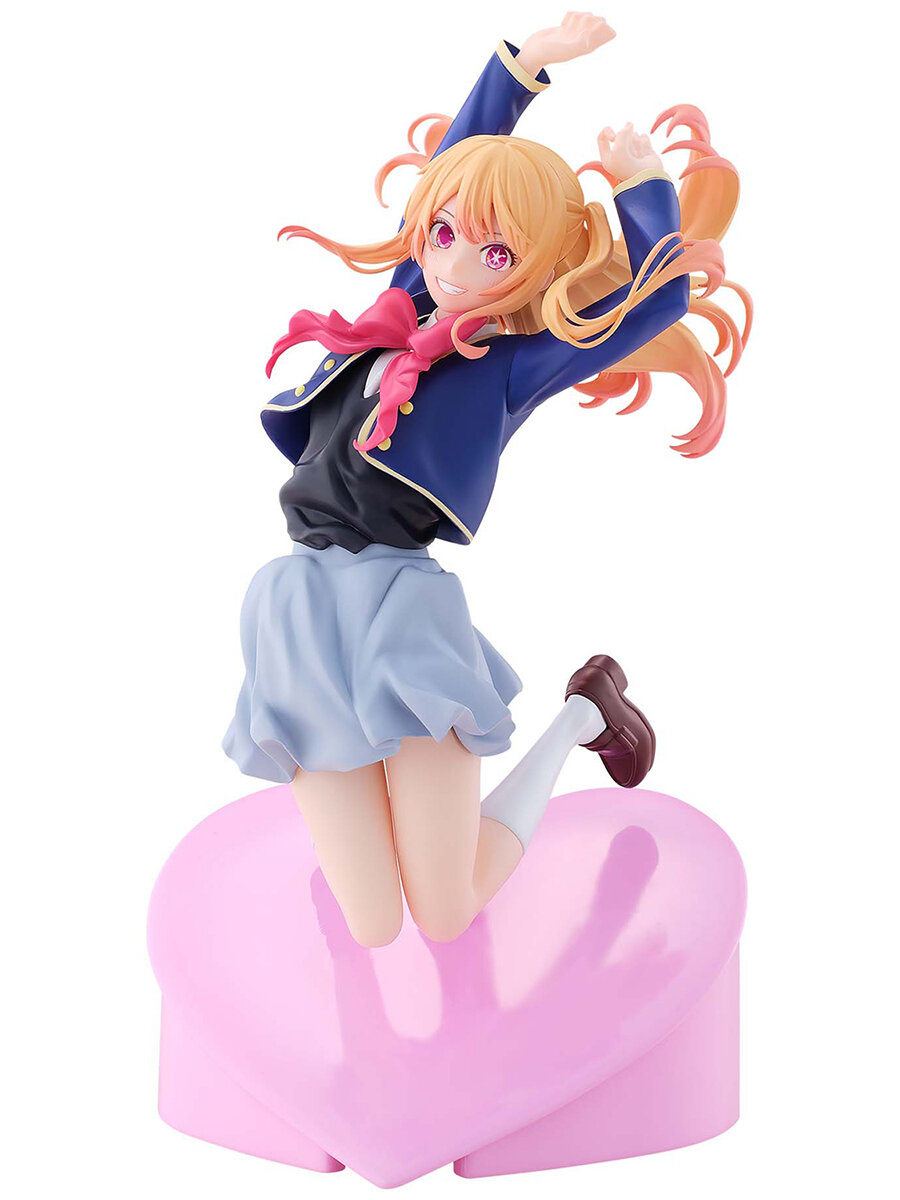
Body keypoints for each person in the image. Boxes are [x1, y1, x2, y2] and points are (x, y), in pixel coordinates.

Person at [223, 13, 750, 948]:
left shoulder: (509, 366)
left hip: (400, 616)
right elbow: (458, 169)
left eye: (498, 254)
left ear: (532, 272)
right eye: (445, 234)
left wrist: (642, 188)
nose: (458, 263)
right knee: (373, 927)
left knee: (445, 911)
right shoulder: (402, 300)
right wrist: (522, 68)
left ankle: (582, 716)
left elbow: (661, 298)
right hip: (297, 612)